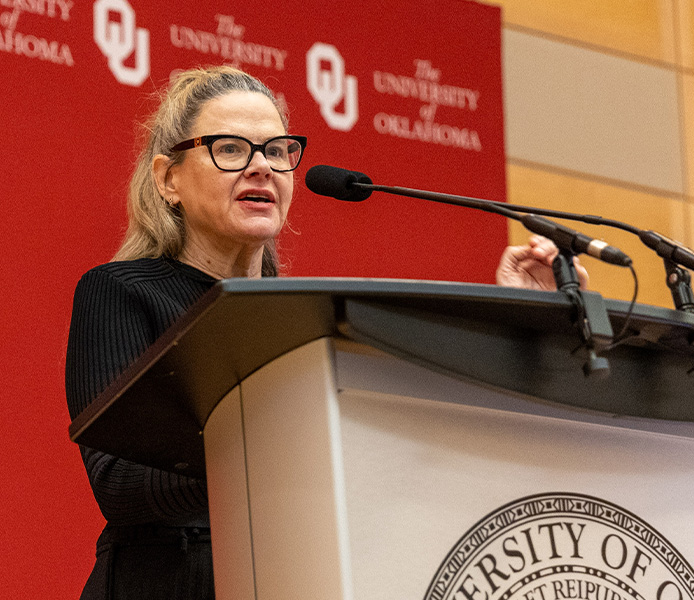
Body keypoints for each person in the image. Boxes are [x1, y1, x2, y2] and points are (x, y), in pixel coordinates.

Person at [65, 66, 583, 599]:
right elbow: (121, 487)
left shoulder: (306, 316)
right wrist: (299, 434)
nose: (261, 167)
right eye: (230, 149)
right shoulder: (121, 292)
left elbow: (409, 449)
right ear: (167, 178)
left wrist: (524, 319)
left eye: (276, 150)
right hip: (171, 581)